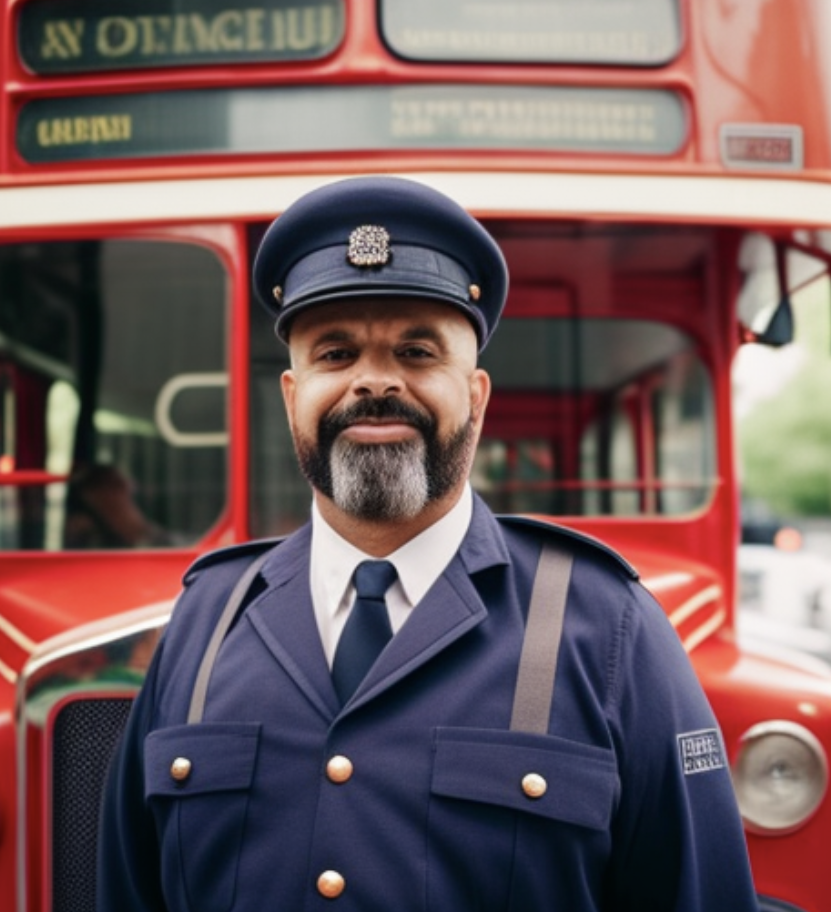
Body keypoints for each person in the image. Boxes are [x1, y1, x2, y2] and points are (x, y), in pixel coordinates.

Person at [97, 176, 759, 911]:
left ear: (475, 395)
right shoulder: (205, 620)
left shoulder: (608, 628)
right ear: (292, 397)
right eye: (336, 354)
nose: (374, 382)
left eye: (416, 352)